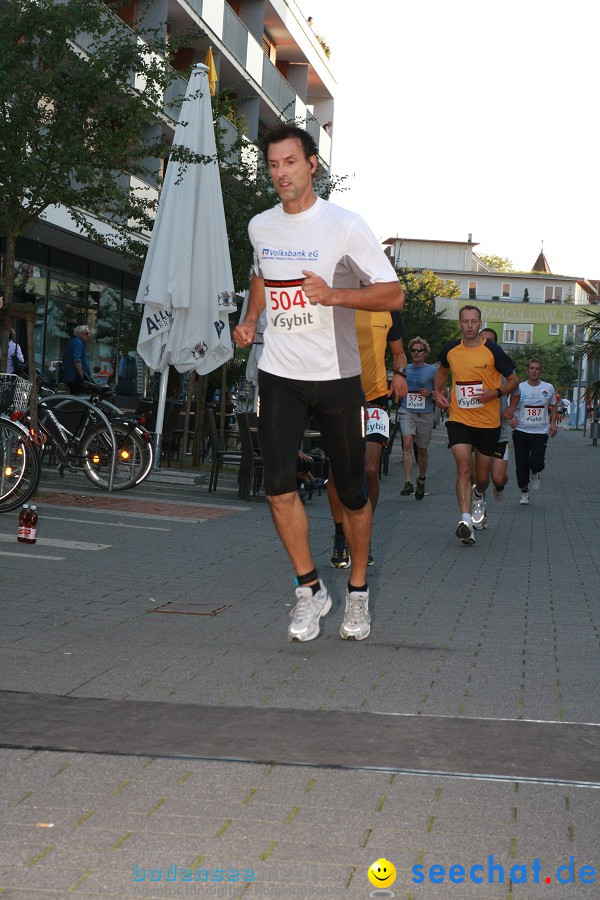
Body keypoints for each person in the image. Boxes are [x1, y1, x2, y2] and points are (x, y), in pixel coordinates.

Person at [233, 123, 404, 643]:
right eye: (272, 165)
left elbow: (393, 294)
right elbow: (262, 277)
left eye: (290, 162)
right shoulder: (261, 226)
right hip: (280, 373)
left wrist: (335, 297)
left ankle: (357, 592)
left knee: (351, 490)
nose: (280, 173)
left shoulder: (345, 225)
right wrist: (250, 318)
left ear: (312, 165)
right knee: (277, 484)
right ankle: (309, 589)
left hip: (336, 378)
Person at [328, 310, 407, 569]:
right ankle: (341, 535)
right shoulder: (339, 301)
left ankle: (363, 535)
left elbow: (399, 353)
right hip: (339, 396)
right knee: (338, 471)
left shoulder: (388, 309)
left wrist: (400, 373)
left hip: (376, 397)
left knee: (370, 470)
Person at [433, 305, 518, 545]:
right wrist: (437, 391)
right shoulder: (450, 349)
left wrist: (496, 392)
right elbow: (441, 370)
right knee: (463, 468)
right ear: (459, 324)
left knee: (482, 477)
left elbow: (513, 380)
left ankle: (479, 495)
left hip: (488, 423)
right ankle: (465, 521)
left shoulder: (493, 351)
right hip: (459, 419)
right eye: (465, 321)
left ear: (480, 323)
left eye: (474, 321)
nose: (469, 325)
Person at [505, 357, 557, 504]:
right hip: (521, 431)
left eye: (537, 369)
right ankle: (524, 492)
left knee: (536, 462)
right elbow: (511, 407)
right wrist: (512, 419)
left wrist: (553, 423)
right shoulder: (519, 388)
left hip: (540, 433)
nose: (534, 371)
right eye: (532, 368)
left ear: (540, 371)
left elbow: (553, 405)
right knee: (521, 466)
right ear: (527, 370)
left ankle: (535, 471)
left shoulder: (549, 388)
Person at [478, 327, 519, 502]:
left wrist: (511, 408)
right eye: (483, 339)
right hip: (476, 428)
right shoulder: (469, 365)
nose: (486, 344)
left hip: (499, 430)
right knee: (479, 477)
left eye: (490, 341)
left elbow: (516, 392)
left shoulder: (504, 369)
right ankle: (479, 507)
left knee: (498, 478)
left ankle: (499, 486)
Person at [399, 336, 436, 500]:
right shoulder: (405, 368)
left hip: (425, 412)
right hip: (407, 409)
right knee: (407, 442)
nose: (416, 353)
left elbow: (442, 391)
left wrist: (431, 393)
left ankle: (421, 479)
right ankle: (407, 482)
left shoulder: (432, 370)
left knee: (421, 450)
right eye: (413, 350)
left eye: (419, 350)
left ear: (425, 353)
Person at [62, 325, 91, 394]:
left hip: (71, 376)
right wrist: (82, 376)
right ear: (81, 333)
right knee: (80, 398)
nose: (88, 335)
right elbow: (77, 360)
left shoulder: (73, 342)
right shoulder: (78, 342)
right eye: (87, 333)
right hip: (76, 377)